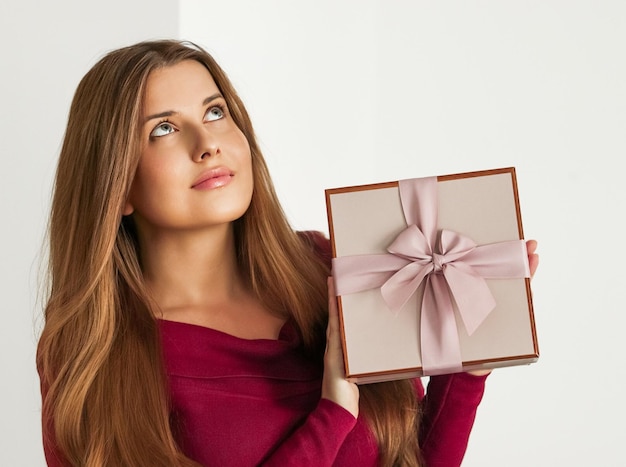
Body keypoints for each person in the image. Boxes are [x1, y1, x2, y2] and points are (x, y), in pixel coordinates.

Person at [36, 39, 539, 467]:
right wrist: (334, 410)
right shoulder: (92, 351)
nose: (207, 142)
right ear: (115, 185)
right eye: (163, 128)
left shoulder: (323, 267)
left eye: (215, 112)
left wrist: (471, 363)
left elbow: (412, 457)